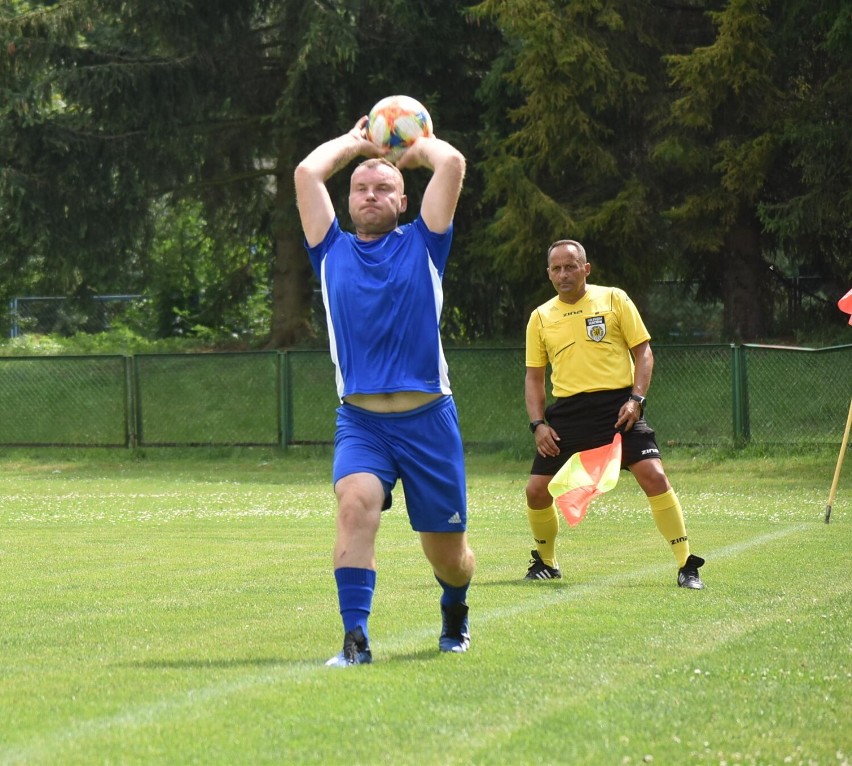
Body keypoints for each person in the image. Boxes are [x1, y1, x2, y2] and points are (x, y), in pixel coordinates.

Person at [294, 115, 475, 666]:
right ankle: (355, 640)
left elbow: (453, 163)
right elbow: (306, 172)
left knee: (449, 557)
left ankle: (455, 607)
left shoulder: (425, 243)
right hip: (362, 422)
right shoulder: (329, 251)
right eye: (361, 189)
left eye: (384, 189)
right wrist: (356, 144)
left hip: (428, 421)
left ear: (403, 202)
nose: (370, 195)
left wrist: (415, 147)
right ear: (347, 200)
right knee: (354, 504)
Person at [522, 239, 705, 589]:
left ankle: (687, 565)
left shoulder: (614, 299)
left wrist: (636, 399)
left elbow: (644, 352)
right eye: (556, 268)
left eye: (571, 266)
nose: (564, 274)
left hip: (619, 408)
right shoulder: (540, 317)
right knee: (536, 491)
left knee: (654, 475)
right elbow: (534, 377)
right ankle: (546, 561)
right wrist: (538, 424)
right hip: (569, 414)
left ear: (585, 268)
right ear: (548, 274)